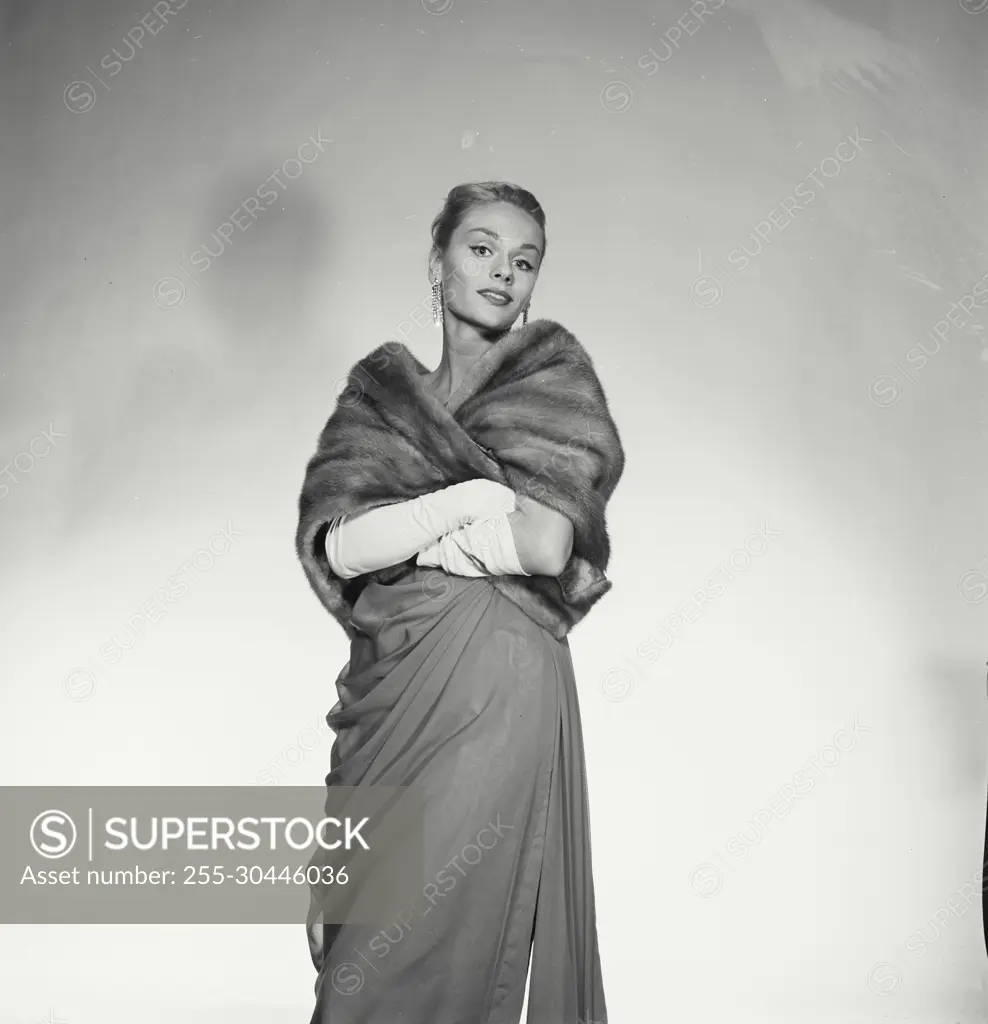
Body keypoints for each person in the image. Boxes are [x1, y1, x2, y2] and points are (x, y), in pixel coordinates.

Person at [295, 181, 623, 1024]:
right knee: (360, 955)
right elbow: (337, 545)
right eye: (481, 249)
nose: (504, 273)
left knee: (444, 950)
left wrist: (415, 537)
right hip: (390, 690)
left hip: (496, 688)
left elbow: (547, 546)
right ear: (436, 265)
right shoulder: (379, 398)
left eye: (525, 260)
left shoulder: (554, 377)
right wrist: (469, 503)